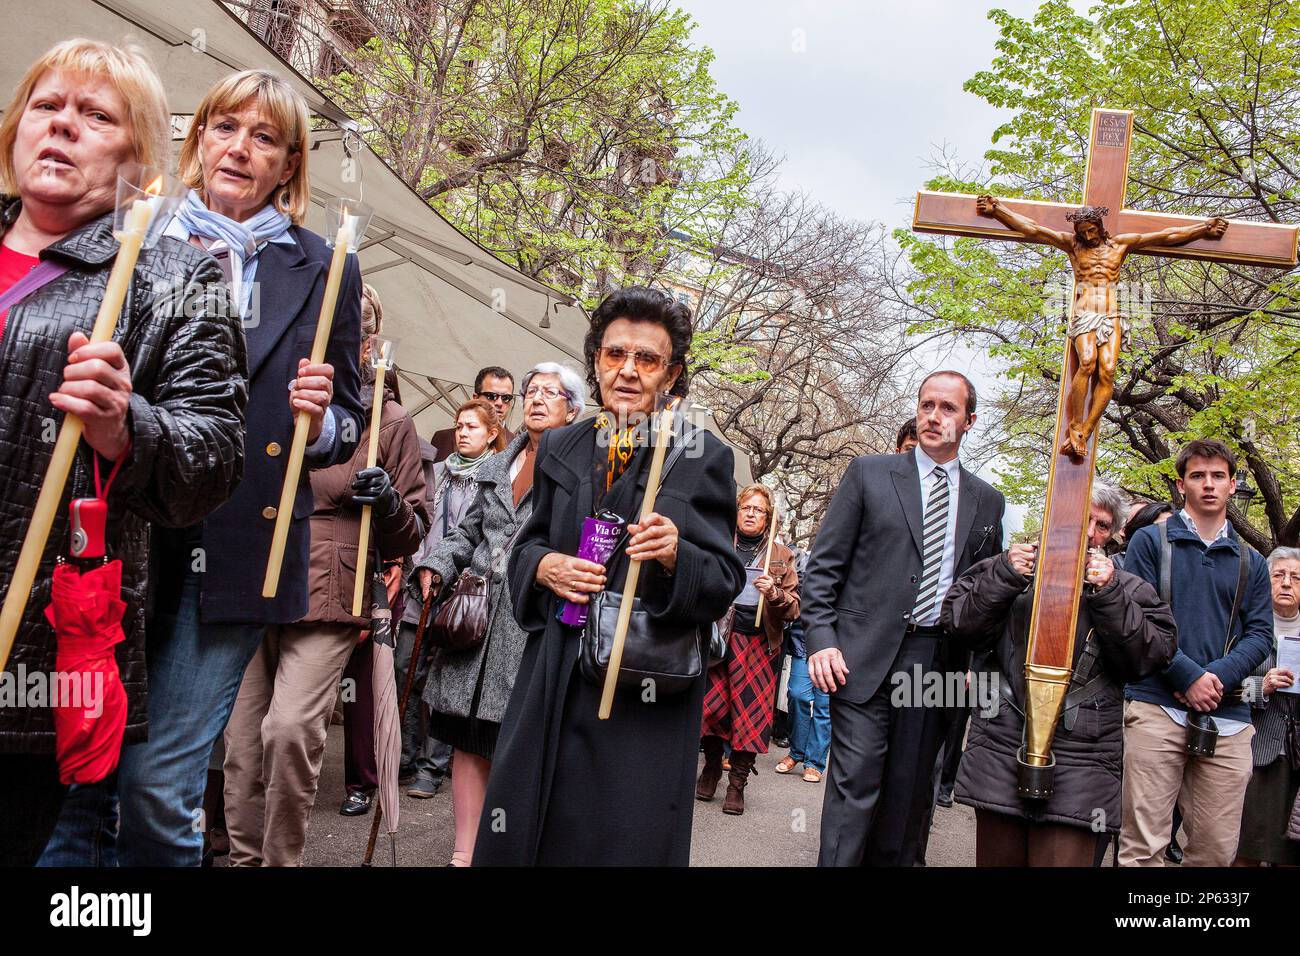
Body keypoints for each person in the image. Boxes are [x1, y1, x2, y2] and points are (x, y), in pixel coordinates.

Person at [0, 38, 246, 866]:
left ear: (137, 156)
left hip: (32, 661)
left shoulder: (177, 278)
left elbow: (213, 459)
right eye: (47, 106)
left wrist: (125, 426)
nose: (62, 126)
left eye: (94, 115)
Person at [114, 69, 364, 866]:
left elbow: (351, 421)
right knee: (86, 771)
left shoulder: (325, 268)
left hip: (237, 548)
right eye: (225, 127)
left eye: (264, 137)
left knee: (161, 781)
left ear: (289, 164)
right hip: (116, 533)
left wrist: (323, 424)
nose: (239, 147)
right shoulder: (132, 232)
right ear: (198, 138)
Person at [474, 286, 745, 866]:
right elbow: (530, 544)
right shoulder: (566, 443)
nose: (628, 371)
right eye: (615, 354)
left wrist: (677, 554)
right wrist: (545, 565)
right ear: (595, 360)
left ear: (671, 374)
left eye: (647, 360)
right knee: (533, 828)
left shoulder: (699, 455)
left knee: (619, 838)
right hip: (556, 670)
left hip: (642, 685)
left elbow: (724, 577)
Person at [221, 283, 427, 865]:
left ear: (366, 345)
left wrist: (386, 502)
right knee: (241, 745)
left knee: (287, 732)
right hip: (253, 580)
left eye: (350, 333)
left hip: (329, 593)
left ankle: (279, 860)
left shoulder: (389, 420)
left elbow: (412, 531)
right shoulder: (263, 395)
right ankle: (243, 860)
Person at [802, 370, 1005, 867]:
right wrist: (822, 640)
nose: (934, 416)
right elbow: (823, 568)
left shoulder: (987, 501)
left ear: (969, 420)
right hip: (860, 655)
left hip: (935, 664)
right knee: (855, 787)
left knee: (910, 796)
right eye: (927, 404)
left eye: (948, 408)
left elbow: (981, 595)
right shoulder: (869, 474)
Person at [942, 481, 1176, 866]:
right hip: (1003, 746)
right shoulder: (1011, 566)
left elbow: (1150, 655)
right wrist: (1004, 574)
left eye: (1101, 525)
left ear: (1113, 535)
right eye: (1081, 519)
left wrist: (1110, 593)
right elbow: (960, 623)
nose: (1088, 533)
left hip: (1084, 762)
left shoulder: (1127, 586)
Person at [417, 363, 584, 865]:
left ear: (572, 411)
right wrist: (435, 565)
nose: (535, 400)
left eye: (549, 394)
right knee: (467, 736)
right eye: (531, 392)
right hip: (477, 613)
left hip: (534, 619)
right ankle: (465, 850)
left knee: (512, 740)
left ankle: (505, 847)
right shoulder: (496, 465)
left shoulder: (580, 475)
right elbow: (466, 534)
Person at [1119, 439, 1274, 867]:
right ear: (1181, 484)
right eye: (1198, 476)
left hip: (1228, 718)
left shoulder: (1252, 561)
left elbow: (1261, 635)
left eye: (1218, 476)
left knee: (1216, 850)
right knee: (1143, 847)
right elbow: (1133, 618)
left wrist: (1215, 678)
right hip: (1155, 705)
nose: (1209, 484)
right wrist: (1186, 675)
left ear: (1232, 485)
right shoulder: (1150, 542)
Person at [976, 196, 1227, 457]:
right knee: (1087, 362)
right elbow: (1033, 229)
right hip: (1084, 312)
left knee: (1107, 371)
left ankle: (1086, 429)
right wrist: (998, 210)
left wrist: (1203, 228)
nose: (1088, 235)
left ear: (1099, 225)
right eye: (1083, 232)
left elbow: (1166, 235)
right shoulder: (1073, 245)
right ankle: (1074, 425)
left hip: (1111, 313)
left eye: (1091, 230)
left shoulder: (1120, 245)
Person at [399, 399, 505, 800]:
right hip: (421, 587)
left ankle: (432, 766)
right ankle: (405, 756)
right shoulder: (438, 472)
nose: (462, 432)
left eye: (472, 427)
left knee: (443, 680)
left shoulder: (496, 479)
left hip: (462, 597)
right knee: (404, 671)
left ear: (491, 434)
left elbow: (477, 539)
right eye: (459, 425)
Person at [698, 484, 800, 814]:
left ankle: (737, 785)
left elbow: (794, 608)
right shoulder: (720, 542)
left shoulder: (781, 556)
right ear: (737, 511)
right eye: (746, 508)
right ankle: (712, 767)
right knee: (710, 711)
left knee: (749, 719)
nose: (751, 514)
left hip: (757, 645)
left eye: (758, 510)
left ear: (768, 518)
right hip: (718, 638)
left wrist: (774, 593)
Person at [1235, 546, 1300, 866]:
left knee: (1291, 854)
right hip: (1257, 752)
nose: (1287, 583)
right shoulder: (1247, 628)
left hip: (1297, 757)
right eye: (1279, 575)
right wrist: (1263, 686)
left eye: (1296, 577)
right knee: (1247, 849)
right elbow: (1223, 689)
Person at [775, 547, 830, 783]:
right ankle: (796, 752)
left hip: (834, 651)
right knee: (796, 694)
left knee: (823, 706)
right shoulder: (807, 563)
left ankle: (814, 762)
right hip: (804, 644)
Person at [429, 366, 515, 462]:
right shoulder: (444, 438)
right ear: (475, 398)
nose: (499, 403)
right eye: (491, 396)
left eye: (506, 398)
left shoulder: (519, 444)